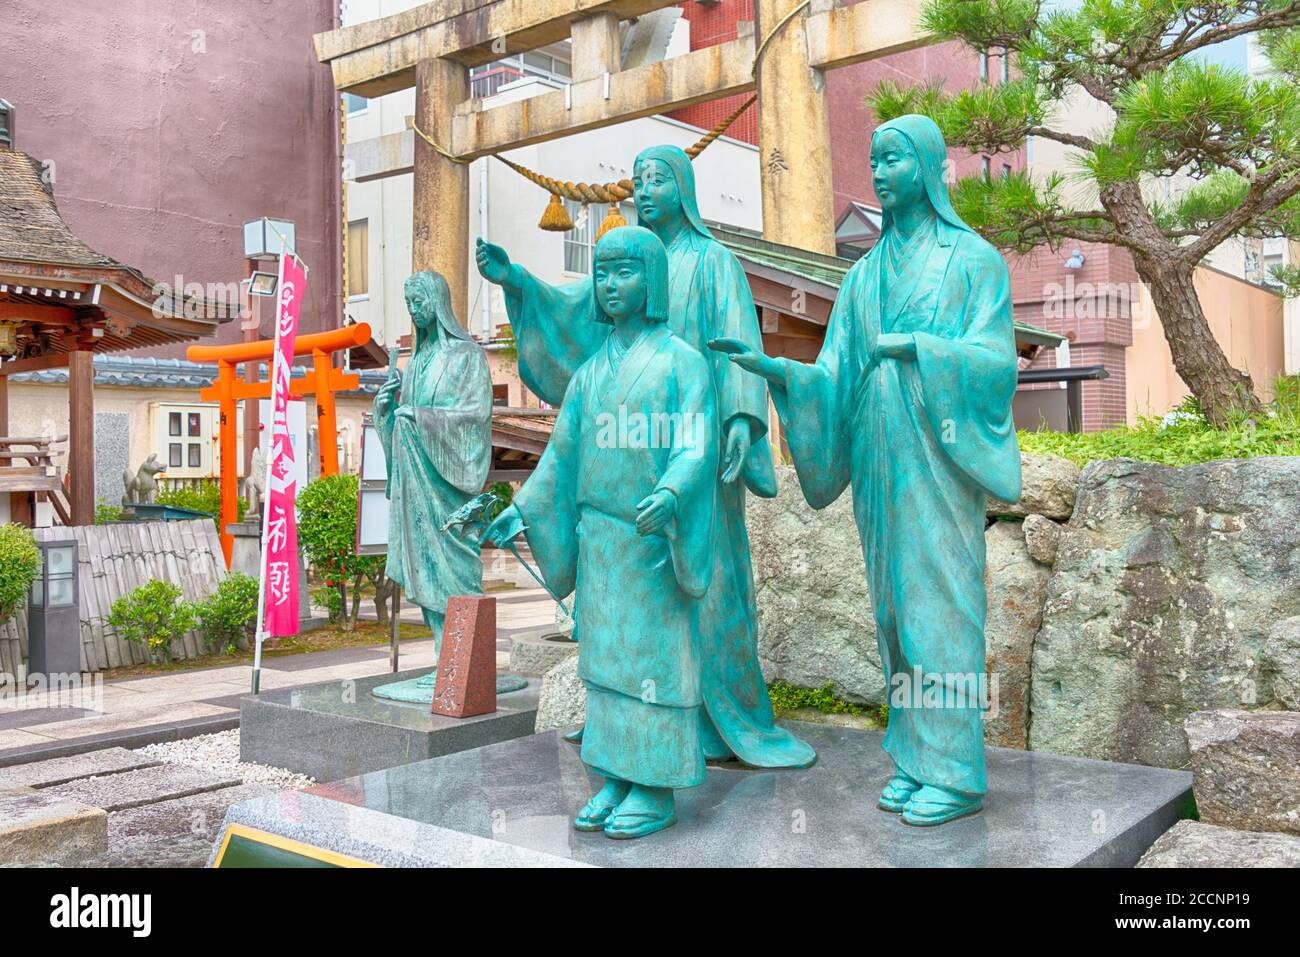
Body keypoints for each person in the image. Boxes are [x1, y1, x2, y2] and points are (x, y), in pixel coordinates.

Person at [711, 115, 1022, 826]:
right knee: (892, 610)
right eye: (874, 159)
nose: (879, 171)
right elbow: (834, 375)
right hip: (882, 459)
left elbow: (996, 361)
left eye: (894, 159)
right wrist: (778, 372)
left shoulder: (974, 261)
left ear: (929, 165)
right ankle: (918, 757)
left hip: (937, 460)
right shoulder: (863, 276)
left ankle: (956, 769)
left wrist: (923, 349)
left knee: (940, 605)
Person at [475, 145, 814, 770]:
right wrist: (517, 281)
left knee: (712, 585)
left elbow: (740, 347)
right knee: (629, 601)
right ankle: (635, 722)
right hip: (632, 454)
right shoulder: (624, 263)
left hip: (699, 451)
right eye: (638, 180)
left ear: (684, 187)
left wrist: (742, 419)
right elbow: (577, 311)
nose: (646, 189)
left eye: (658, 178)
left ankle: (727, 716)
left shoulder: (714, 263)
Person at [481, 227, 718, 839]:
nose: (611, 285)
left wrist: (671, 492)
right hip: (600, 541)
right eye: (603, 273)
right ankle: (616, 772)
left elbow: (697, 441)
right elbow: (561, 456)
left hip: (652, 539)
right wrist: (522, 509)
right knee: (605, 663)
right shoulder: (589, 375)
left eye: (625, 272)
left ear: (653, 281)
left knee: (655, 662)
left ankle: (655, 786)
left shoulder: (682, 363)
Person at [374, 270, 492, 653]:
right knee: (423, 567)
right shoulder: (418, 362)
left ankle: (463, 663)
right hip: (416, 486)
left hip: (449, 484)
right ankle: (445, 657)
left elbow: (475, 416)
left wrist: (420, 418)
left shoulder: (467, 355)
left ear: (438, 303)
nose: (413, 309)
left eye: (420, 301)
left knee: (455, 568)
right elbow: (402, 420)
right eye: (409, 303)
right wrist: (387, 413)